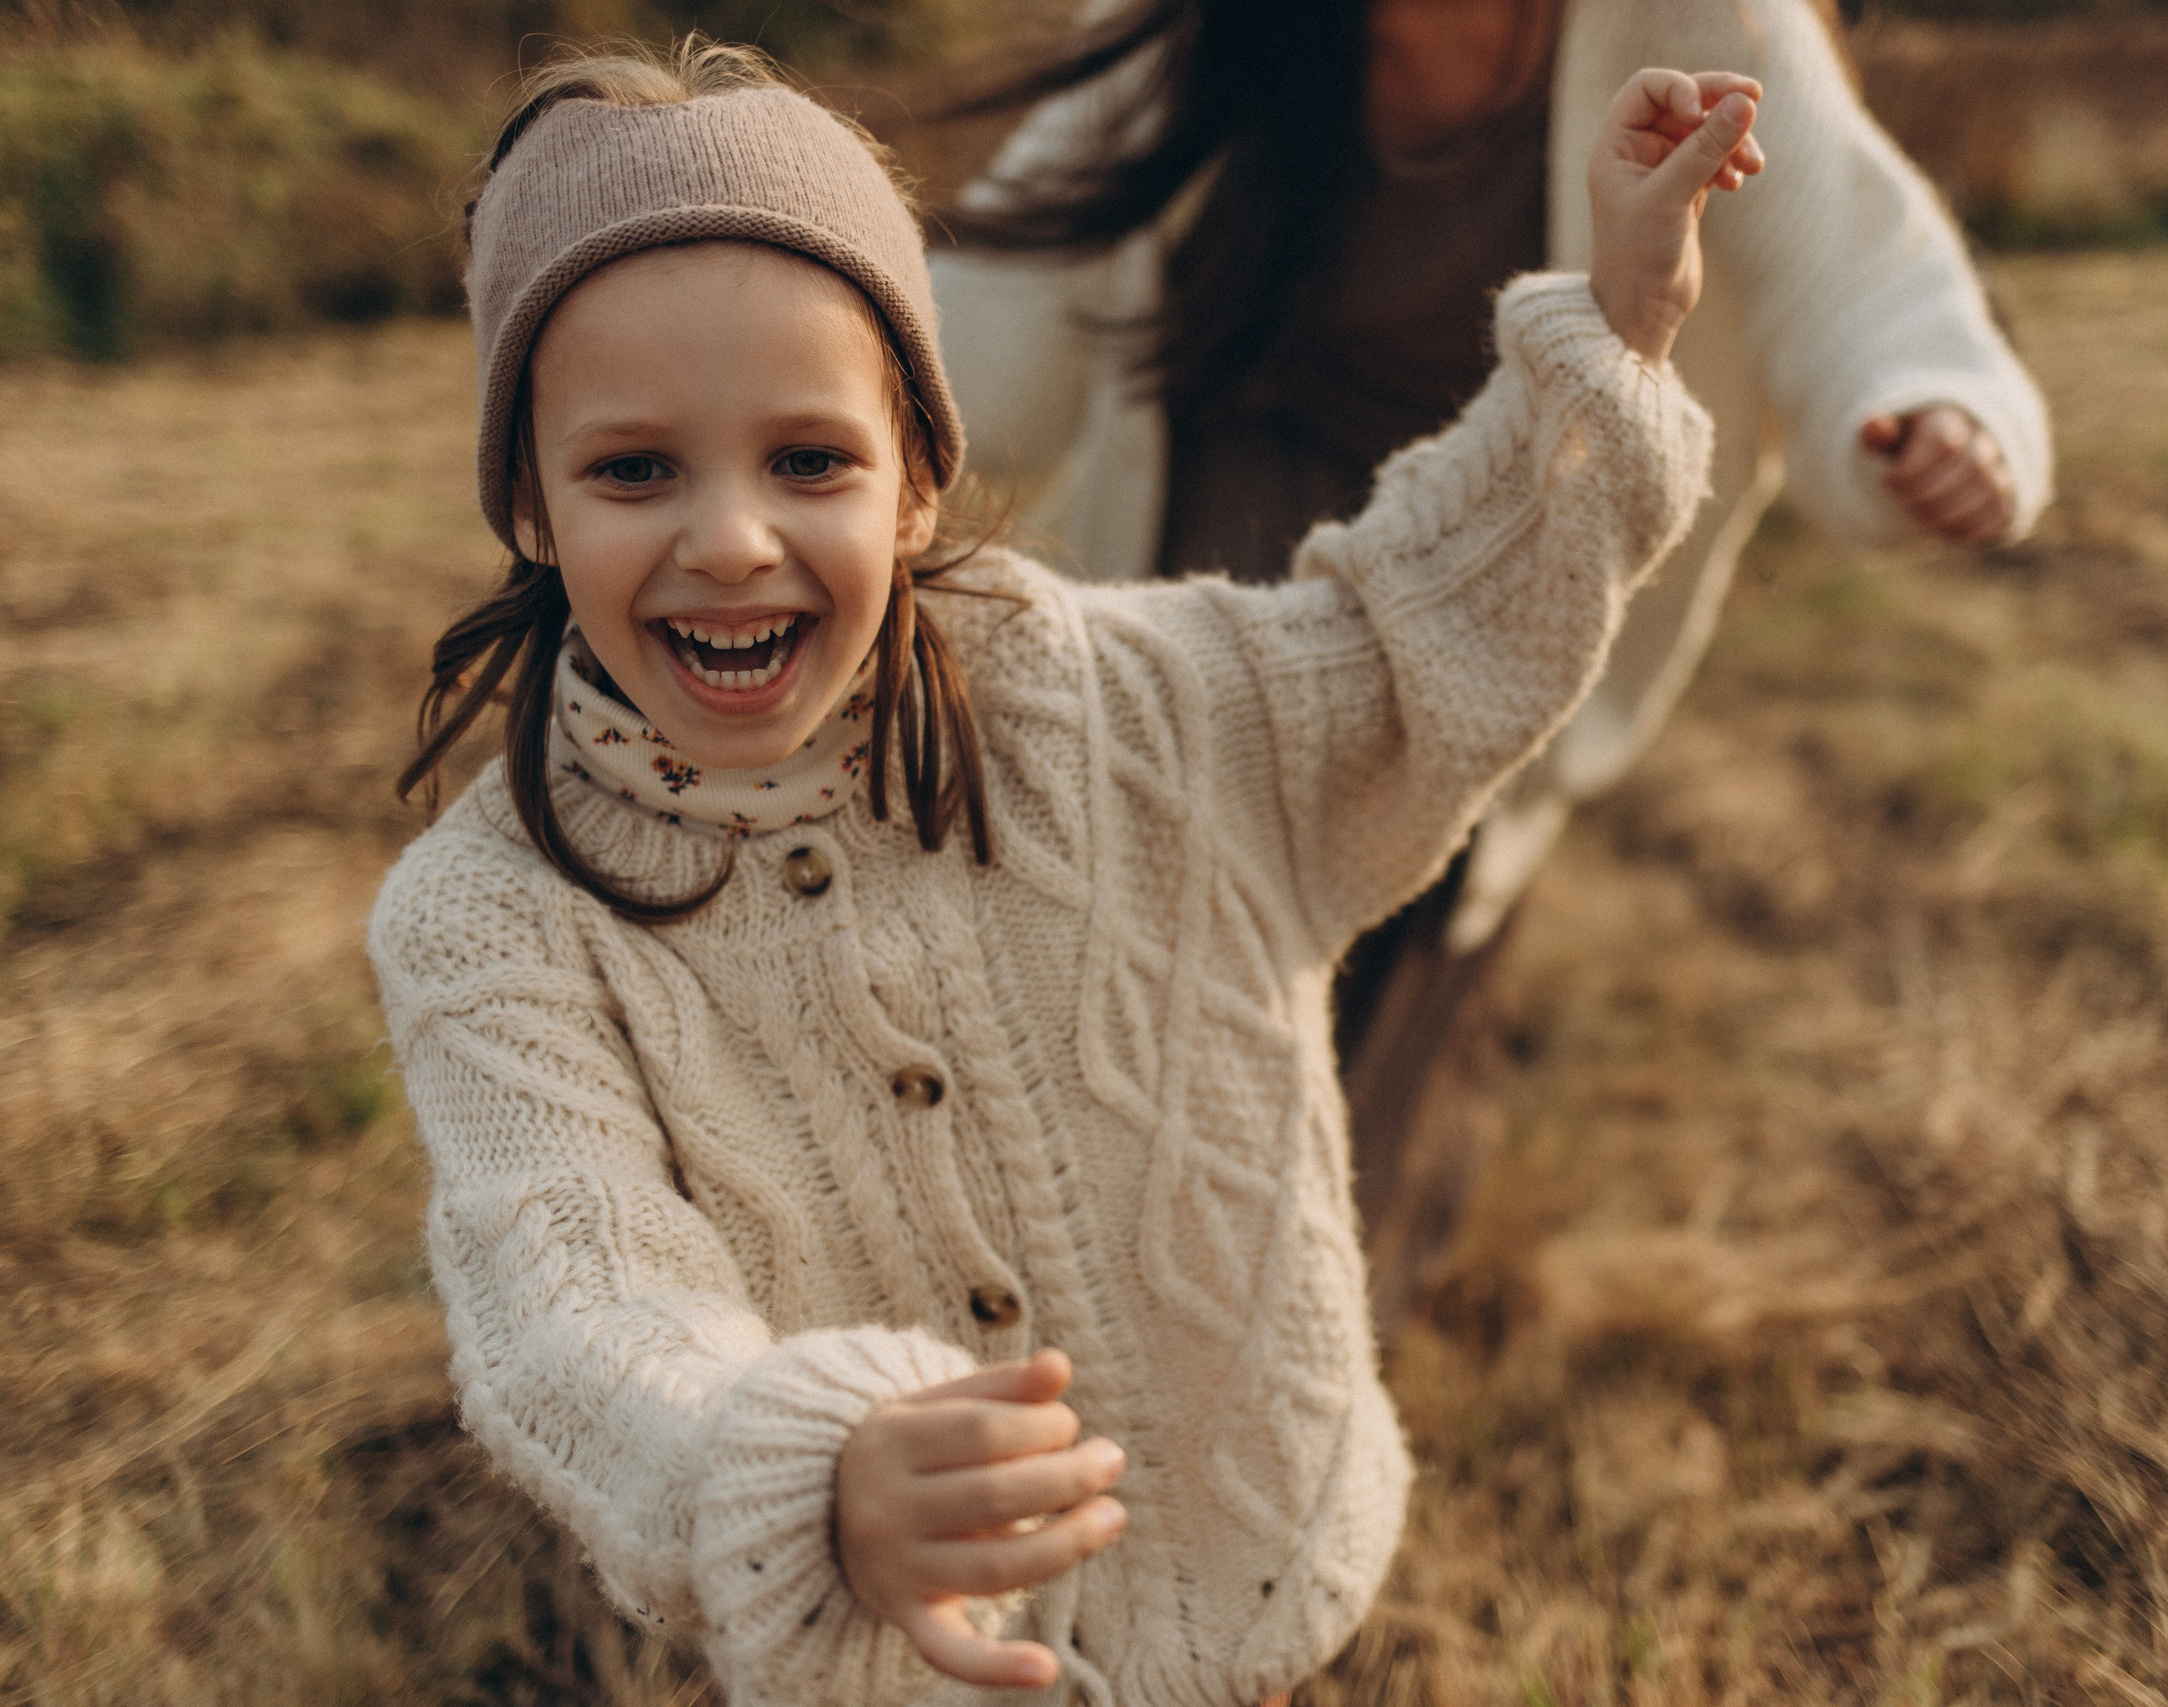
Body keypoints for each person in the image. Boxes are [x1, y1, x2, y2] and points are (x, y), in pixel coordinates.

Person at [369, 36, 1760, 1706]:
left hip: (1261, 1589)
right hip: (916, 1669)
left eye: (809, 460)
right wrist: (796, 1469)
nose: (730, 537)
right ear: (525, 497)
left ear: (917, 478)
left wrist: (1613, 329)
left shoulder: (1125, 711)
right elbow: (573, 1298)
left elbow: (1406, 647)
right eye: (634, 468)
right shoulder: (491, 922)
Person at [929, 0, 2054, 1335]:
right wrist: (778, 412)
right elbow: (979, 324)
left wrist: (1939, 412)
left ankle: (1288, 1456)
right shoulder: (1198, 32)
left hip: (1447, 698)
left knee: (1319, 1179)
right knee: (1098, 1120)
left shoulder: (1708, 27)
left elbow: (1862, 278)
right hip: (1187, 682)